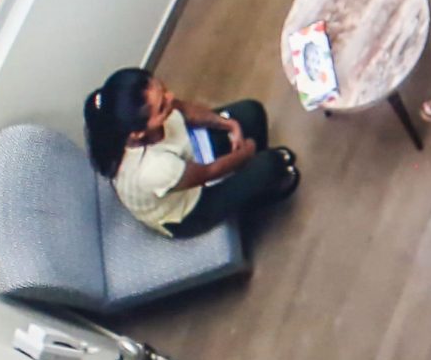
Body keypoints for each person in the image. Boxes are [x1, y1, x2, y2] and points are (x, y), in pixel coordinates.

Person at [83, 68, 298, 238]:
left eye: (163, 89)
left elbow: (183, 109)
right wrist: (247, 151)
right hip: (189, 208)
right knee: (270, 164)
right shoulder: (154, 168)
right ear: (138, 133)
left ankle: (253, 179)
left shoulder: (147, 113)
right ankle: (257, 195)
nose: (170, 97)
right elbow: (208, 172)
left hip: (188, 156)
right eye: (162, 107)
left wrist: (229, 125)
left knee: (251, 111)